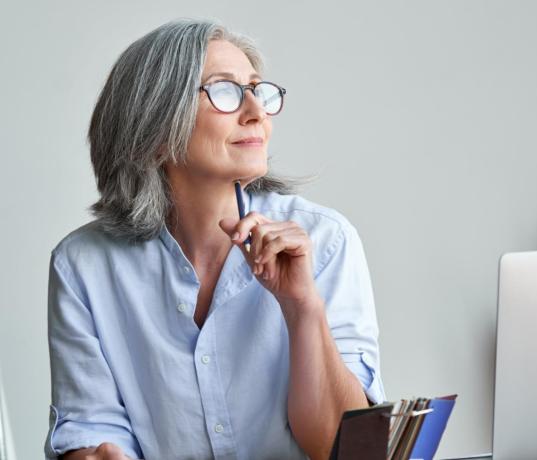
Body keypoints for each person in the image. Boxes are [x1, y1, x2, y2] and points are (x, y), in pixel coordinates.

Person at [44, 18, 385, 460]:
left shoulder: (326, 241)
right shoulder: (83, 265)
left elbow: (345, 450)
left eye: (257, 89)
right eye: (225, 91)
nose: (257, 112)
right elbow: (90, 428)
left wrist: (303, 307)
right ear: (155, 128)